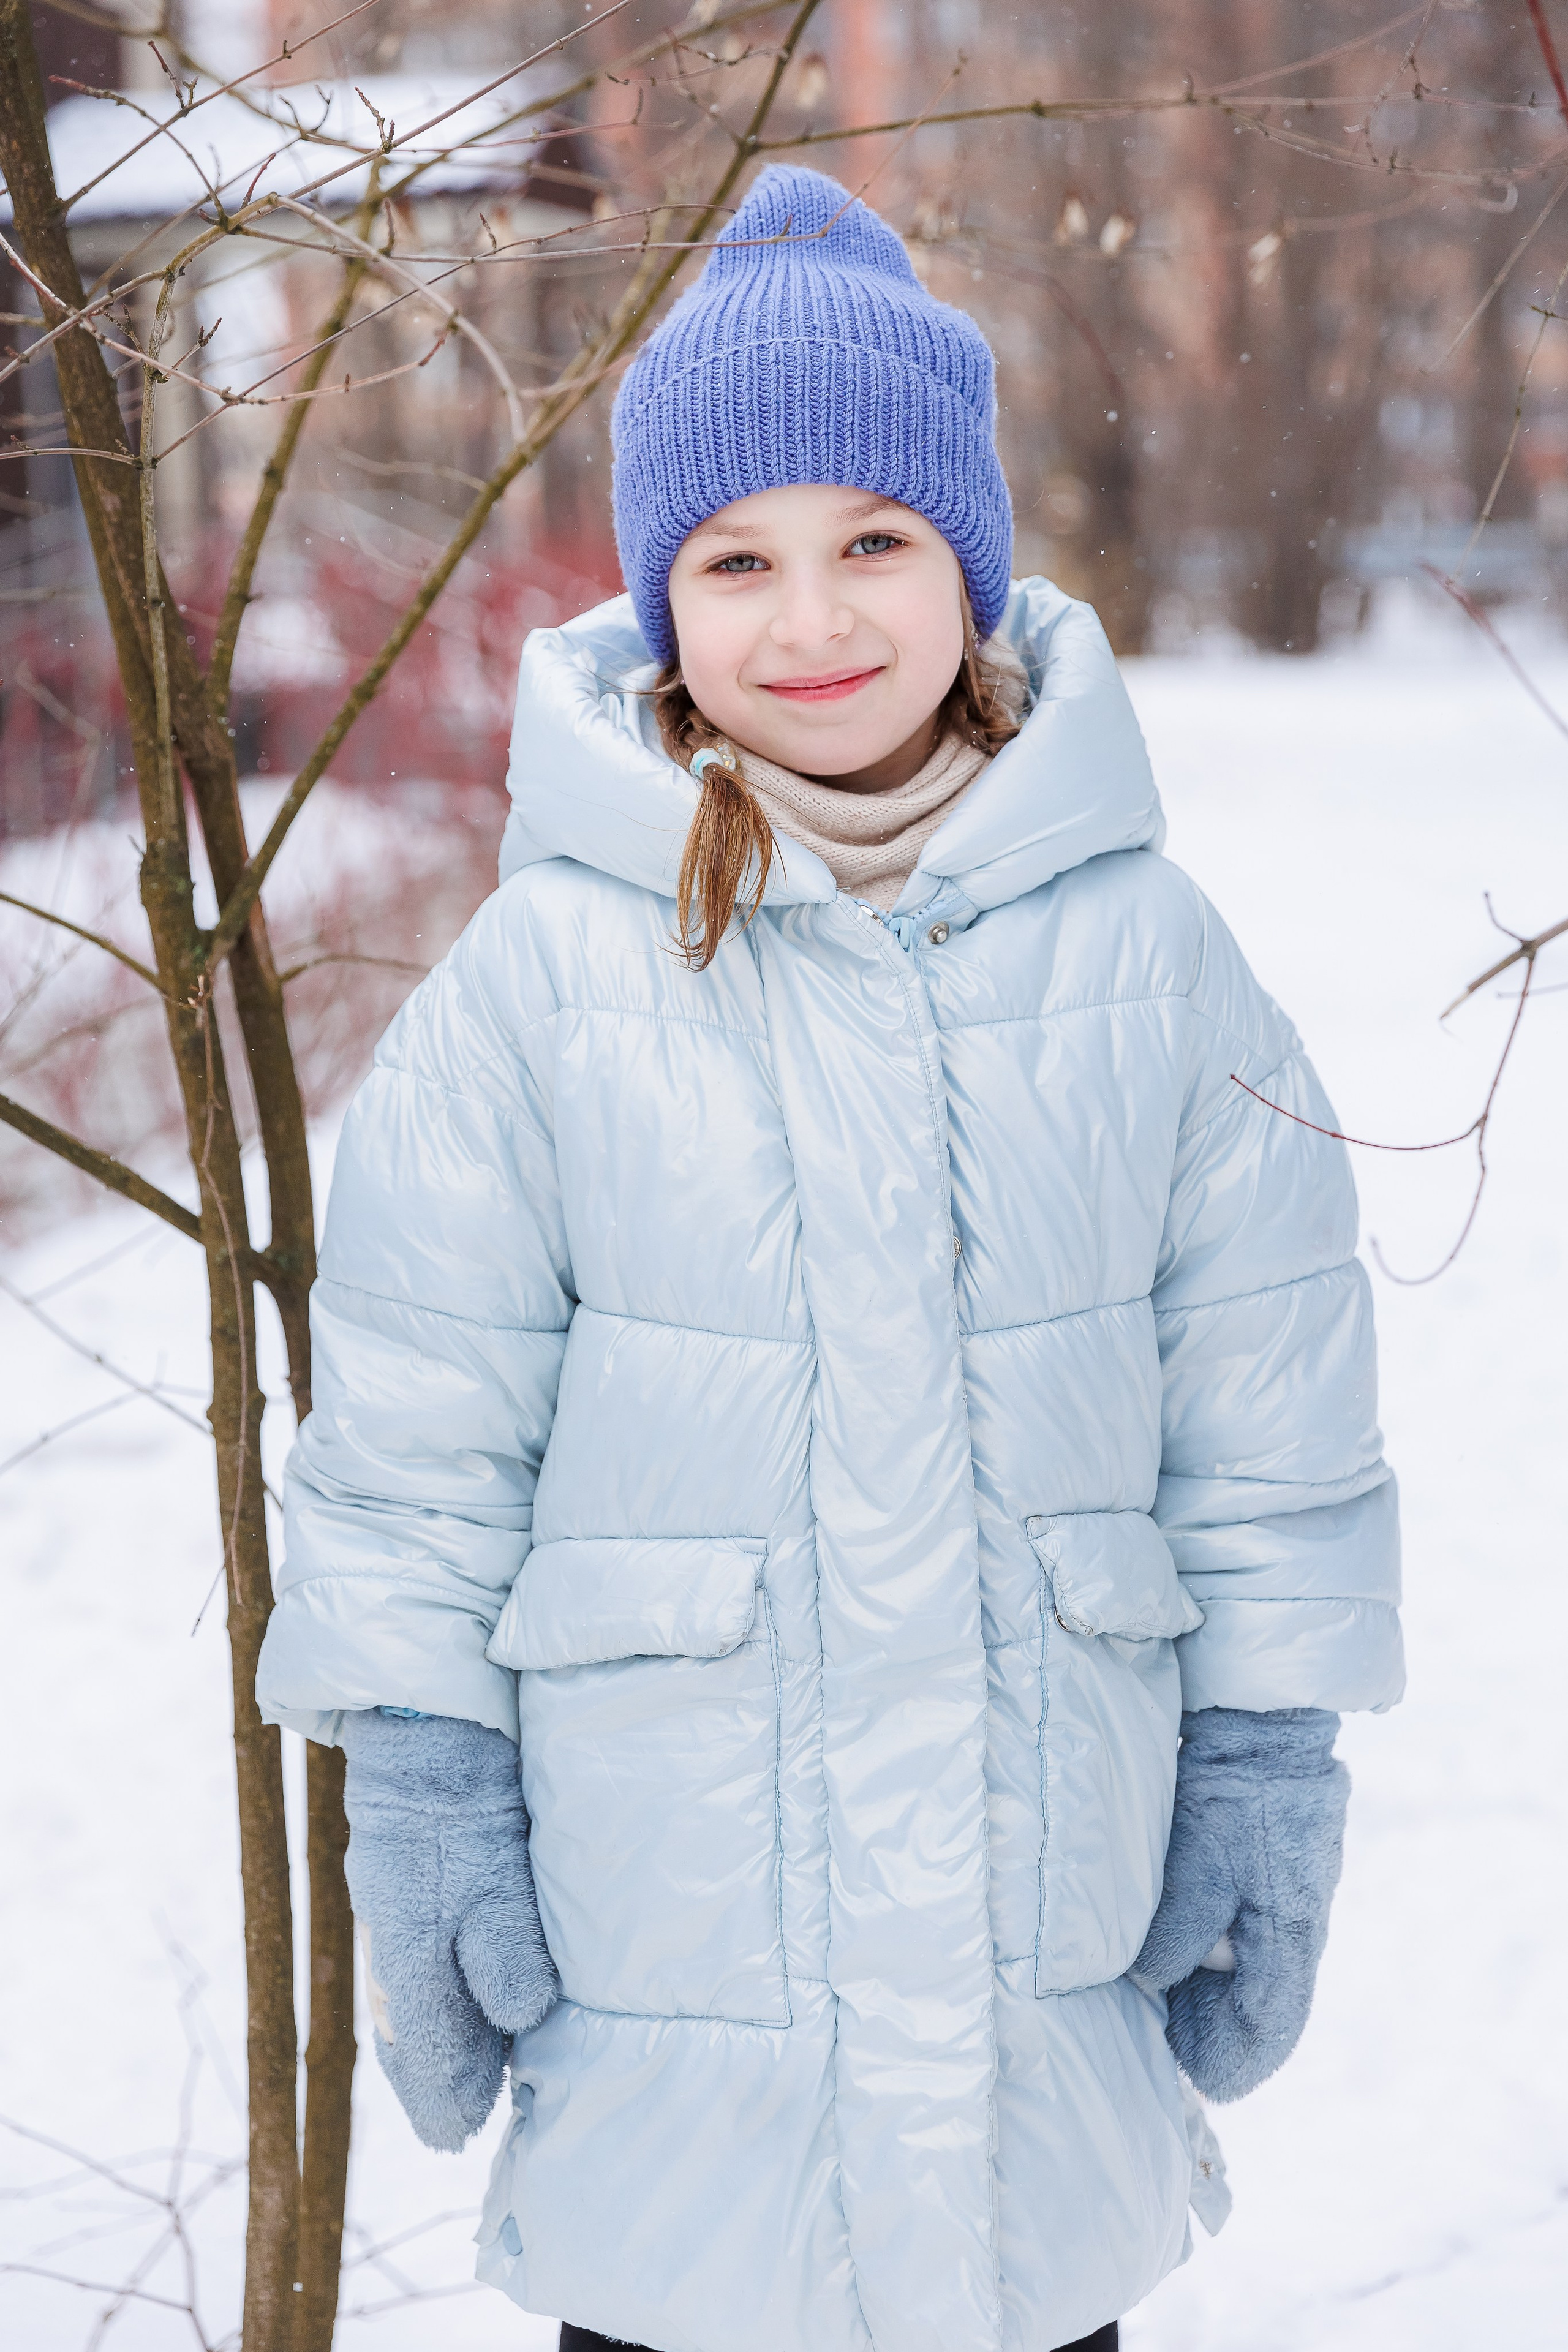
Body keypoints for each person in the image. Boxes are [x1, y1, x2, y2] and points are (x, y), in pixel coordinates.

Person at [255, 165, 1403, 2352]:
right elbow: (415, 1439)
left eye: (875, 541)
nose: (813, 621)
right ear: (657, 599)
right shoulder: (541, 985)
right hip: (683, 1984)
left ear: (968, 566)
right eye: (737, 559)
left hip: (1032, 1987)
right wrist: (415, 1766)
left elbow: (1270, 1412)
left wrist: (1269, 1746)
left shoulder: (1150, 959)